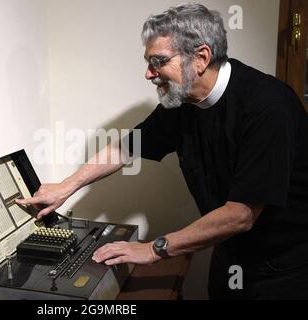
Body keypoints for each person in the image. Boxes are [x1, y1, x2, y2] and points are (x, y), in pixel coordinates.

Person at [16, 3, 308, 299]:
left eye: (158, 61)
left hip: (282, 268)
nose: (148, 74)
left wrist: (153, 250)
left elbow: (240, 215)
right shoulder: (180, 103)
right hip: (229, 252)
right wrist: (66, 187)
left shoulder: (268, 106)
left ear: (201, 58)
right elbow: (126, 147)